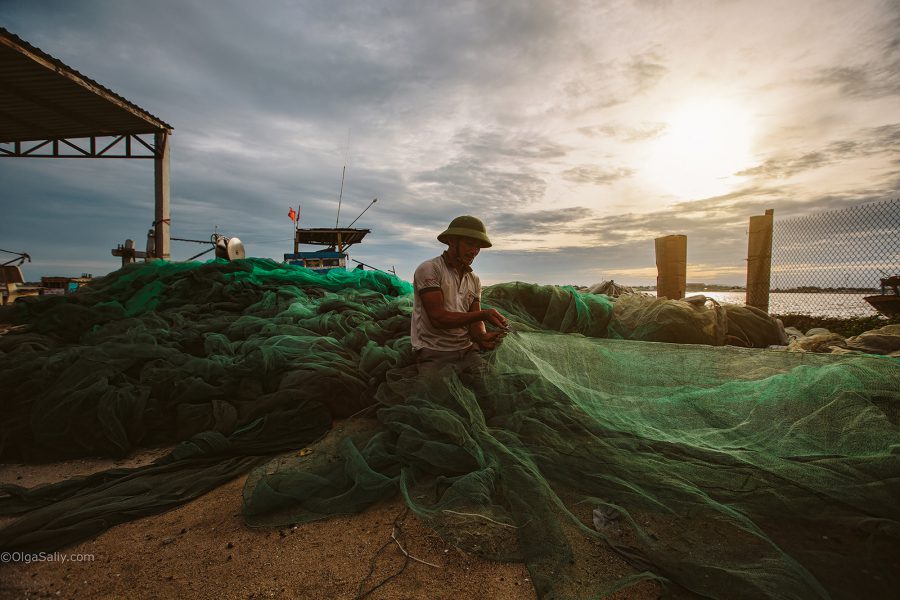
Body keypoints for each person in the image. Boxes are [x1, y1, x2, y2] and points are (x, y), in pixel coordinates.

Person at [411, 215, 509, 374]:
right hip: (434, 351)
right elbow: (438, 318)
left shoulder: (474, 280)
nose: (474, 251)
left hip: (468, 350)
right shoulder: (430, 269)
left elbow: (474, 321)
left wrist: (483, 337)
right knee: (435, 396)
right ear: (451, 241)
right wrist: (484, 314)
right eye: (469, 244)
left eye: (478, 247)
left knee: (489, 386)